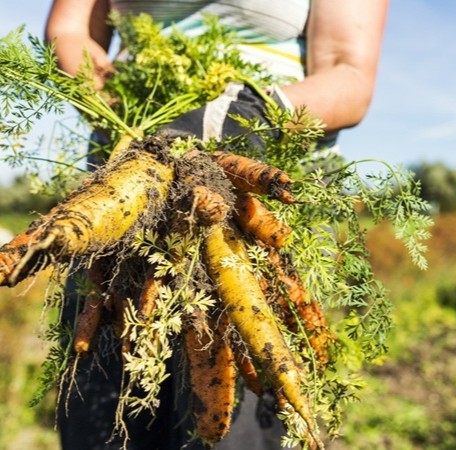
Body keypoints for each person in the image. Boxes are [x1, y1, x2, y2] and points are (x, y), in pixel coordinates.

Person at [44, 1, 389, 449]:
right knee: (105, 387)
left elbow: (349, 73)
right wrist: (119, 102)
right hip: (131, 169)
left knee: (241, 389)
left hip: (260, 173)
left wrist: (266, 108)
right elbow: (69, 31)